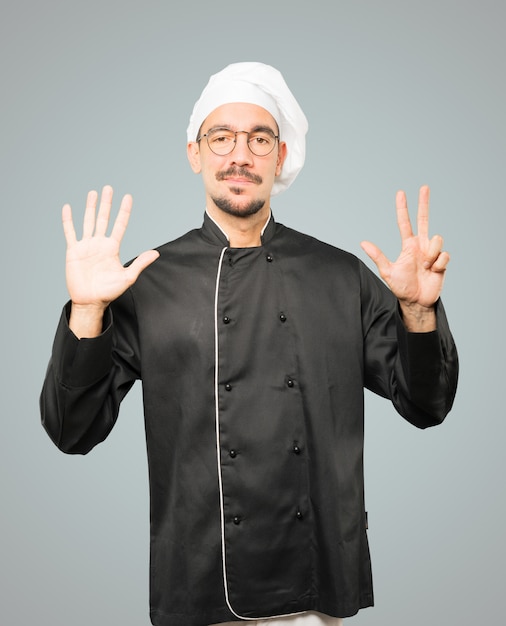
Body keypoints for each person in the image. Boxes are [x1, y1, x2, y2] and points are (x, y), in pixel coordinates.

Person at [40, 62, 458, 626]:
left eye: (260, 139)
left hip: (315, 583)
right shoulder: (148, 280)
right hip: (199, 582)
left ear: (280, 158)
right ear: (195, 153)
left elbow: (425, 404)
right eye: (222, 137)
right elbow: (73, 430)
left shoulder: (338, 274)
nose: (240, 154)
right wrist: (88, 311)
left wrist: (417, 311)